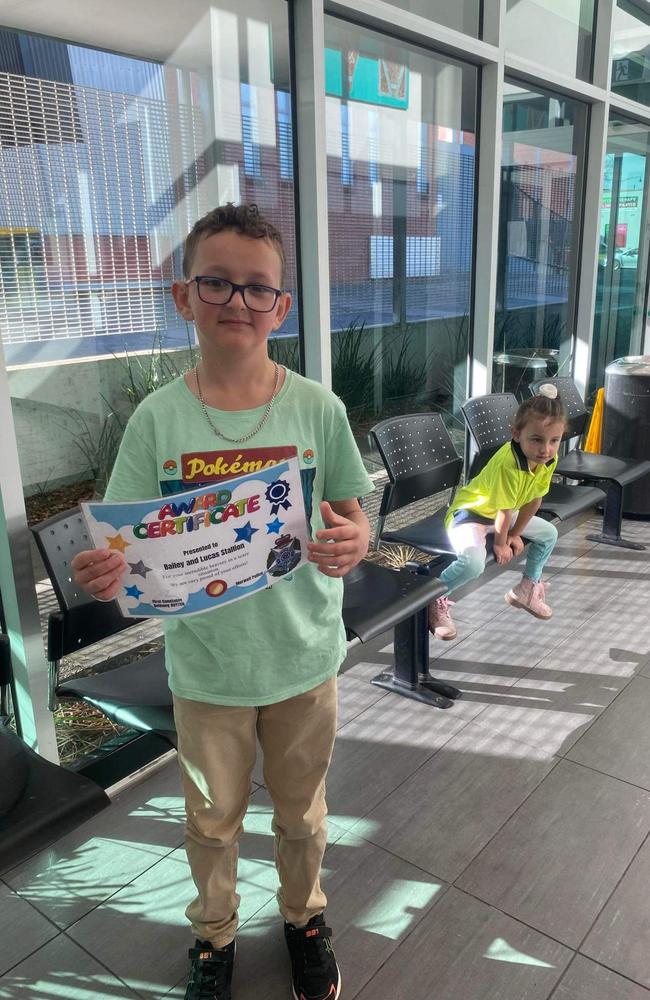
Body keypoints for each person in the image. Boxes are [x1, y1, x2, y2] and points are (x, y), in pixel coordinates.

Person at [71, 202, 373, 1000]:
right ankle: (214, 935)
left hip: (305, 658)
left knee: (304, 817)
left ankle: (305, 919)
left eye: (257, 289)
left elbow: (351, 509)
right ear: (184, 297)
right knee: (210, 822)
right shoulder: (158, 419)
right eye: (218, 283)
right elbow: (120, 545)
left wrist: (358, 540)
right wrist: (104, 571)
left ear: (283, 306)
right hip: (205, 671)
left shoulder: (317, 409)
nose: (237, 302)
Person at [429, 384, 566, 641]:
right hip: (470, 515)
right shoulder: (509, 464)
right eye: (536, 439)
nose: (545, 449)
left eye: (554, 441)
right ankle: (434, 596)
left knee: (549, 533)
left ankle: (527, 588)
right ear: (516, 434)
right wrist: (503, 543)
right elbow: (503, 511)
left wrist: (516, 533)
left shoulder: (547, 460)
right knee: (473, 563)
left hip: (501, 515)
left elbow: (534, 501)